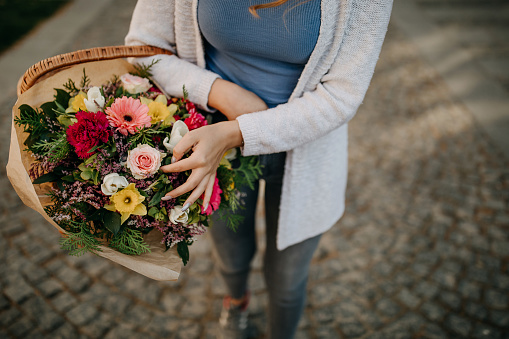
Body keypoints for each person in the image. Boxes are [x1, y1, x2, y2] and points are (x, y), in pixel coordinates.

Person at [125, 0, 393, 338]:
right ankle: (236, 303)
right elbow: (144, 49)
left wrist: (241, 131)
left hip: (308, 148)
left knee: (287, 278)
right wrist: (222, 94)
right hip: (213, 144)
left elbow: (342, 95)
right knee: (231, 255)